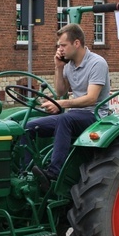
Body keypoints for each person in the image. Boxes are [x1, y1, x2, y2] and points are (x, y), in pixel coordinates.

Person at [24, 23, 110, 186]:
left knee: (65, 119)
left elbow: (91, 98)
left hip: (95, 116)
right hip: (74, 115)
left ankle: (53, 173)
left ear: (76, 43)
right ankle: (26, 173)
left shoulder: (97, 63)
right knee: (28, 127)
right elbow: (60, 91)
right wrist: (58, 67)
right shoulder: (69, 65)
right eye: (59, 46)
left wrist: (61, 103)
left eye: (63, 45)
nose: (60, 49)